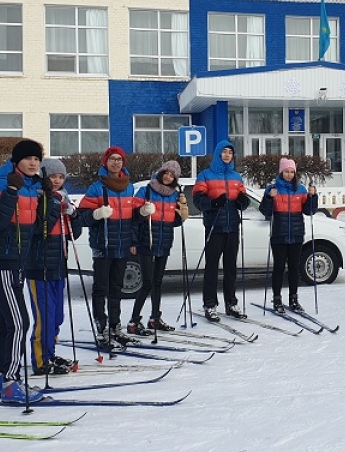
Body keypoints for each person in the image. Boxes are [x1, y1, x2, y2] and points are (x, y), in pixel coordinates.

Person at [0, 139, 47, 404]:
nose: (34, 163)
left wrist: (49, 197)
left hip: (18, 259)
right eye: (28, 158)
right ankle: (11, 382)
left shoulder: (34, 186)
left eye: (37, 159)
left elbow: (38, 224)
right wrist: (11, 190)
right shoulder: (4, 182)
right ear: (16, 160)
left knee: (5, 318)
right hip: (3, 258)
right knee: (20, 320)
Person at [76, 146, 140, 349]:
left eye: (119, 159)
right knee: (100, 288)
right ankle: (101, 326)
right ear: (105, 162)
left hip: (121, 246)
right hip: (103, 246)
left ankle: (115, 326)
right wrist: (95, 215)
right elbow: (81, 217)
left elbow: (132, 218)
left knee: (116, 288)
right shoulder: (97, 188)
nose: (116, 163)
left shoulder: (129, 187)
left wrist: (142, 214)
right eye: (112, 159)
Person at [24, 157, 82, 375]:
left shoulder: (62, 198)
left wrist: (73, 215)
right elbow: (39, 229)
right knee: (44, 318)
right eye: (52, 176)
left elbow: (74, 234)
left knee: (57, 316)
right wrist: (55, 204)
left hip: (58, 266)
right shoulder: (37, 198)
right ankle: (40, 361)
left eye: (60, 177)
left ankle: (50, 353)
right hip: (39, 267)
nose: (56, 181)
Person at [192, 140, 250, 321]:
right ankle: (210, 304)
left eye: (230, 152)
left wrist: (242, 201)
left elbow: (244, 201)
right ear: (218, 154)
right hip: (214, 227)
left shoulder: (236, 177)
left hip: (232, 227)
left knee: (231, 268)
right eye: (224, 152)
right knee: (211, 268)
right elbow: (198, 201)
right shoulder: (205, 175)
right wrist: (214, 203)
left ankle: (231, 303)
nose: (227, 155)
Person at [128, 160, 188, 334]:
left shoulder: (174, 195)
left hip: (164, 242)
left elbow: (175, 221)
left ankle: (155, 318)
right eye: (166, 173)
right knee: (147, 284)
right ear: (161, 172)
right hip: (146, 242)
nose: (168, 177)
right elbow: (133, 218)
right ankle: (134, 321)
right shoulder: (146, 191)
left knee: (158, 282)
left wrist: (182, 209)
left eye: (172, 175)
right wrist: (133, 241)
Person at [258, 157, 318, 314]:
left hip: (297, 235)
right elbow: (266, 211)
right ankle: (277, 299)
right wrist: (269, 197)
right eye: (286, 171)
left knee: (294, 268)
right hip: (279, 235)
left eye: (292, 172)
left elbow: (309, 211)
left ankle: (293, 299)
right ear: (281, 172)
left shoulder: (301, 189)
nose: (289, 174)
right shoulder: (273, 188)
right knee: (278, 268)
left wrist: (313, 197)